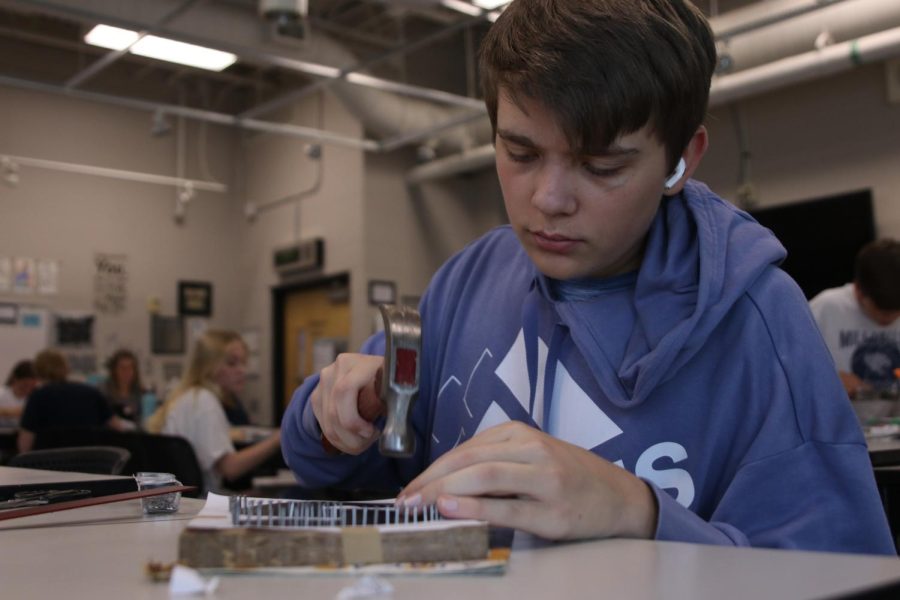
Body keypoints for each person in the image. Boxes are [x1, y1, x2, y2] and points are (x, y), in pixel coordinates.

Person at [280, 0, 893, 554]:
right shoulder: (465, 281)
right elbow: (347, 477)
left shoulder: (761, 322)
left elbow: (837, 569)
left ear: (682, 160)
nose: (548, 199)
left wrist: (640, 512)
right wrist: (333, 419)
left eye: (601, 167)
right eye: (520, 154)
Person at [145, 330, 281, 495]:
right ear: (209, 366)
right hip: (201, 503)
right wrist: (278, 438)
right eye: (232, 363)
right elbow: (230, 468)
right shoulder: (204, 401)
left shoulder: (187, 396)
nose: (242, 370)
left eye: (244, 363)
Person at [809, 239, 900, 400]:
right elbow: (791, 368)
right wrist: (830, 380)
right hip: (847, 421)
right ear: (858, 290)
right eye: (883, 313)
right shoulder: (825, 308)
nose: (891, 319)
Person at [18, 350, 127, 453]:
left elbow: (25, 444)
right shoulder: (91, 393)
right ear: (66, 368)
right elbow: (118, 428)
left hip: (48, 464)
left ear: (37, 371)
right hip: (89, 464)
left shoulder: (38, 396)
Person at [102, 349, 144, 425]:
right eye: (122, 368)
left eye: (130, 368)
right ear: (114, 371)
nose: (126, 372)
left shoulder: (140, 394)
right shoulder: (103, 391)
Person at [0, 360, 38, 428]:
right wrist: (10, 412)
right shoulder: (2, 394)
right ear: (15, 379)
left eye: (32, 386)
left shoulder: (35, 398)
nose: (28, 389)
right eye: (25, 385)